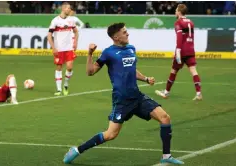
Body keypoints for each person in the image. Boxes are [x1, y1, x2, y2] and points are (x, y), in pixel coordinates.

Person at [62, 22, 184, 165]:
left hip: (137, 96)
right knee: (110, 134)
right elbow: (90, 72)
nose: (128, 34)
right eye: (124, 32)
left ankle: (166, 156)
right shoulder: (108, 52)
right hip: (122, 100)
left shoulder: (131, 49)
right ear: (116, 37)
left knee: (165, 118)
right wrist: (89, 54)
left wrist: (145, 78)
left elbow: (131, 69)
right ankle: (77, 150)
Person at [155, 4, 202, 101]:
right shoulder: (191, 22)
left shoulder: (178, 22)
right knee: (194, 71)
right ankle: (198, 93)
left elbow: (179, 38)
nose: (175, 12)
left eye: (176, 10)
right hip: (190, 49)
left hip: (182, 50)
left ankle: (166, 92)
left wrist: (178, 52)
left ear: (180, 12)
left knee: (173, 71)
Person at [47, 2, 79, 96]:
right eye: (68, 8)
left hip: (69, 48)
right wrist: (53, 48)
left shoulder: (71, 20)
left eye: (70, 8)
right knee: (59, 67)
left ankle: (65, 85)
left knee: (69, 67)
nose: (70, 10)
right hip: (59, 48)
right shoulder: (55, 21)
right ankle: (58, 89)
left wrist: (75, 42)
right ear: (63, 8)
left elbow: (76, 32)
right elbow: (49, 35)